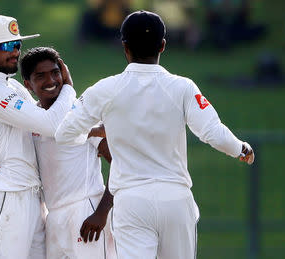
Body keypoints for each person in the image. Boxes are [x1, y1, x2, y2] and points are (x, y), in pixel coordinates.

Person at [55, 10, 255, 259]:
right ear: (162, 45)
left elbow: (64, 133)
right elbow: (213, 133)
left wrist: (99, 130)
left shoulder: (104, 89)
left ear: (124, 46)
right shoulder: (183, 87)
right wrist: (241, 148)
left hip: (131, 201)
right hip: (175, 199)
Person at [0, 47, 116, 259]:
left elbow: (120, 165)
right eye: (40, 76)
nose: (51, 80)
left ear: (64, 75)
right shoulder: (33, 118)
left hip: (86, 209)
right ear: (28, 85)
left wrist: (102, 213)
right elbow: (14, 150)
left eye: (55, 72)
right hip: (53, 217)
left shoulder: (80, 112)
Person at [0, 15, 76, 259]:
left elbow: (43, 119)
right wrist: (69, 87)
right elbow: (51, 124)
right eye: (6, 46)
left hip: (30, 196)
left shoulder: (12, 86)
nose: (15, 52)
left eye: (17, 45)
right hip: (7, 196)